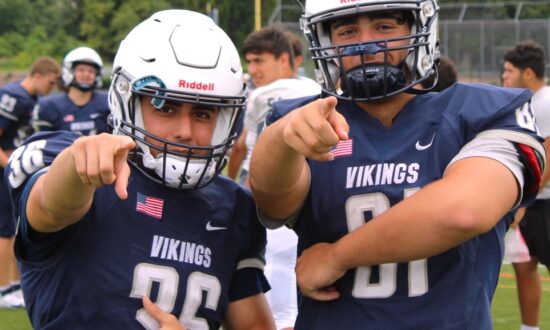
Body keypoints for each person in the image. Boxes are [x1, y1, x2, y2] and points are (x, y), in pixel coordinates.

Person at [248, 1, 546, 329]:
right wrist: (281, 137)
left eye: (384, 26)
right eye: (347, 31)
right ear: (325, 39)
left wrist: (338, 256)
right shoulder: (306, 118)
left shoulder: (481, 111)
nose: (367, 45)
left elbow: (464, 211)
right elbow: (272, 202)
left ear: (419, 28)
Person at [5, 9, 275, 329]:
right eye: (165, 106)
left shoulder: (233, 206)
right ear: (125, 100)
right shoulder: (83, 170)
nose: (185, 131)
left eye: (203, 114)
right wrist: (76, 167)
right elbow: (51, 206)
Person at [0, 56, 61, 308]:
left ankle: (13, 284)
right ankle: (3, 288)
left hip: (10, 168)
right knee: (4, 229)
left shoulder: (32, 100)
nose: (52, 87)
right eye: (50, 81)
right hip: (4, 168)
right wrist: (13, 167)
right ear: (37, 75)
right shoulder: (15, 97)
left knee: (13, 227)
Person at [502, 40, 550, 330]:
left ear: (528, 73)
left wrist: (524, 201)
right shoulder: (527, 103)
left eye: (509, 71)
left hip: (543, 202)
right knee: (523, 265)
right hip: (532, 202)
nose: (504, 77)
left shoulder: (545, 101)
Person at [227, 26, 298, 182]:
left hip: (257, 178)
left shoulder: (260, 95)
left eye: (258, 61)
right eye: (250, 62)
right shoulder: (313, 89)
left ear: (284, 60)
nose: (251, 70)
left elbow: (240, 148)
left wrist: (231, 184)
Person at [31, 46, 110, 136]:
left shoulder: (108, 102)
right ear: (69, 71)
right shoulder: (49, 106)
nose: (86, 74)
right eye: (81, 70)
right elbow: (42, 143)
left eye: (91, 71)